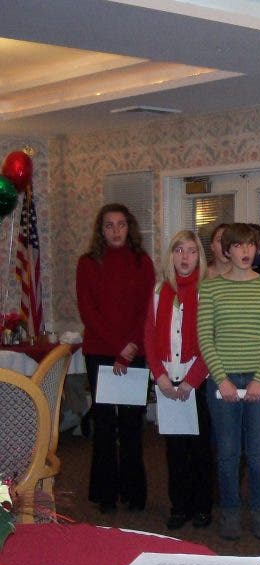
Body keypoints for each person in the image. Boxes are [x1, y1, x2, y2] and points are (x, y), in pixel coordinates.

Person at [198, 222, 260, 540]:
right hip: (223, 382)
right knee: (228, 453)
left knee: (259, 454)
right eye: (238, 245)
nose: (246, 251)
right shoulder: (210, 288)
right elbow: (206, 338)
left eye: (251, 245)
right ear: (227, 250)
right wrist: (221, 380)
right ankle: (231, 514)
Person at [76, 204, 156, 514]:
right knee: (106, 424)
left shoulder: (142, 262)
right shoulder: (87, 263)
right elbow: (88, 311)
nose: (115, 231)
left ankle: (134, 493)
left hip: (134, 354)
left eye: (121, 224)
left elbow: (146, 309)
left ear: (129, 228)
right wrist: (117, 348)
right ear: (101, 230)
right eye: (109, 225)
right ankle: (105, 493)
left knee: (132, 425)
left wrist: (131, 346)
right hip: (100, 353)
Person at [144, 229, 214, 530]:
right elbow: (149, 335)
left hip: (195, 380)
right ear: (170, 255)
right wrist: (159, 375)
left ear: (200, 256)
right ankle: (179, 505)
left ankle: (201, 505)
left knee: (199, 448)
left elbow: (212, 339)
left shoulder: (206, 290)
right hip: (166, 380)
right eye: (179, 250)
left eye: (191, 251)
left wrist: (192, 380)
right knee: (174, 449)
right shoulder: (160, 291)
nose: (185, 257)